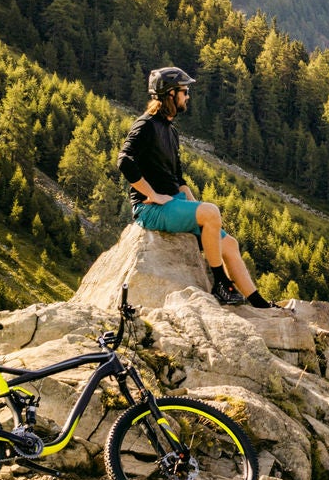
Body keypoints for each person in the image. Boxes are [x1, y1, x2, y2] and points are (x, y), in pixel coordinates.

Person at [117, 66, 273, 308]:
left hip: (172, 204)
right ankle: (221, 284)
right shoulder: (145, 125)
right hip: (150, 210)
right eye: (184, 91)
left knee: (229, 244)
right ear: (170, 94)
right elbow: (124, 160)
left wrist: (192, 205)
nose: (188, 95)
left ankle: (260, 304)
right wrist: (152, 195)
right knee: (211, 213)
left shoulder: (170, 130)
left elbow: (178, 178)